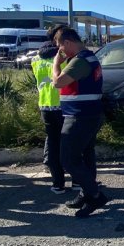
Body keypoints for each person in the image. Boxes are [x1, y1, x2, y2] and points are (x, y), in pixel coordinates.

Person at [52, 27, 108, 218]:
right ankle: (87, 192)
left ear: (67, 42)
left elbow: (58, 82)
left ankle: (95, 195)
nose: (60, 51)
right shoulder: (89, 57)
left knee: (68, 159)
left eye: (60, 46)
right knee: (86, 156)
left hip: (79, 117)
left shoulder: (80, 61)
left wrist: (56, 63)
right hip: (88, 114)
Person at [31, 41, 69, 194]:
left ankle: (58, 184)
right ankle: (78, 181)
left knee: (53, 143)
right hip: (64, 104)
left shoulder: (36, 60)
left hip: (45, 105)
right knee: (70, 142)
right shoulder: (63, 58)